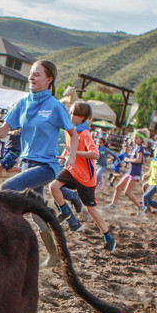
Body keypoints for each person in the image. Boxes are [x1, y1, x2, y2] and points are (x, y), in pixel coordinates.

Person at [0, 60, 72, 196]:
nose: (31, 78)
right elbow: (2, 131)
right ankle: (70, 216)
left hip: (46, 166)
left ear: (49, 80)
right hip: (25, 163)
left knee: (7, 187)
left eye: (36, 75)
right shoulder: (22, 103)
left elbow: (73, 133)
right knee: (35, 210)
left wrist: (72, 155)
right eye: (30, 74)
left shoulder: (56, 106)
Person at [49, 100, 117, 251]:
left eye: (75, 114)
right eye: (71, 113)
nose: (71, 116)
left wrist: (73, 153)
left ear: (82, 118)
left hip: (86, 177)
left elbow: (95, 154)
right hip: (72, 170)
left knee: (91, 209)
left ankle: (108, 237)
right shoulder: (70, 129)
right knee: (53, 187)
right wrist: (63, 156)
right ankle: (65, 211)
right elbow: (68, 149)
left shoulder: (84, 133)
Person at [108, 129, 147, 211]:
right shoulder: (136, 148)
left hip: (135, 173)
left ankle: (141, 207)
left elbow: (139, 160)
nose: (134, 139)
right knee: (118, 187)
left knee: (127, 192)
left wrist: (128, 160)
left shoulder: (140, 148)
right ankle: (113, 205)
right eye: (134, 138)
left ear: (141, 139)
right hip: (130, 172)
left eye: (137, 138)